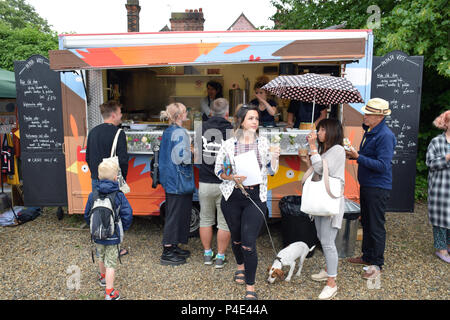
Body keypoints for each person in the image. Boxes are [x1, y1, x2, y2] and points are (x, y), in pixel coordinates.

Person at [214, 105, 280, 300]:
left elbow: (272, 171)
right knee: (236, 238)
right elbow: (219, 171)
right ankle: (240, 266)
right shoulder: (228, 144)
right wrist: (232, 177)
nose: (255, 122)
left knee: (248, 243)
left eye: (257, 119)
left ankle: (250, 288)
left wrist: (275, 158)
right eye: (251, 118)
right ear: (242, 121)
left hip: (255, 197)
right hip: (232, 196)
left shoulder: (263, 143)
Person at [345, 98, 396, 279]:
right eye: (365, 112)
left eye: (368, 113)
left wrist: (357, 156)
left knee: (376, 226)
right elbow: (368, 157)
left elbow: (383, 165)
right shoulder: (371, 131)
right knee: (366, 222)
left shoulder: (385, 136)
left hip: (378, 187)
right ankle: (367, 256)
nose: (364, 115)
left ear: (380, 116)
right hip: (368, 184)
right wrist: (353, 155)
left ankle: (377, 264)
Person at [299, 118, 345, 300]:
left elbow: (321, 168)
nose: (318, 133)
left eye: (322, 130)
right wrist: (306, 161)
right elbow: (317, 171)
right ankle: (328, 271)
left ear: (332, 131)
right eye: (319, 129)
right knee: (322, 238)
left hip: (330, 202)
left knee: (327, 242)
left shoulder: (338, 150)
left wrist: (311, 147)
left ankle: (332, 283)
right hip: (322, 200)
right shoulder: (326, 150)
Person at [84, 159, 133, 300]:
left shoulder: (92, 195)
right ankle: (110, 293)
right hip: (113, 235)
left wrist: (92, 227)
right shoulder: (119, 195)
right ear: (114, 178)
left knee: (100, 256)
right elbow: (127, 214)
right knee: (111, 263)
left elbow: (87, 214)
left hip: (97, 234)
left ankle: (103, 278)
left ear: (98, 177)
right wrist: (124, 228)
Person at [86, 100, 129, 257]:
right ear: (113, 115)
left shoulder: (93, 132)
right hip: (112, 181)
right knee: (115, 213)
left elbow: (88, 156)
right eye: (119, 113)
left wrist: (94, 174)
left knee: (98, 209)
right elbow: (123, 160)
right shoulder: (119, 133)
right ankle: (114, 246)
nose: (121, 115)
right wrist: (122, 179)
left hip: (96, 179)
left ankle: (99, 246)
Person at [199, 98, 233, 268]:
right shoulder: (231, 130)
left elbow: (198, 156)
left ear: (210, 112)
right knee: (224, 222)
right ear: (227, 113)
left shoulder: (201, 128)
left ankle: (207, 254)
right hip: (224, 182)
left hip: (205, 181)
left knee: (205, 219)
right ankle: (220, 257)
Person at [159, 102, 195, 266]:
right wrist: (193, 152)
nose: (187, 113)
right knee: (175, 216)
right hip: (178, 180)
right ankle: (167, 251)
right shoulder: (181, 132)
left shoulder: (169, 131)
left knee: (174, 214)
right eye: (185, 110)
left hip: (170, 178)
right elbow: (183, 159)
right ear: (179, 115)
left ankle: (173, 246)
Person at [426, 110, 450, 263]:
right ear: (446, 123)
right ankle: (441, 249)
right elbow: (430, 163)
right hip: (441, 188)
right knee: (441, 219)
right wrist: (447, 157)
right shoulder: (437, 142)